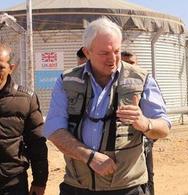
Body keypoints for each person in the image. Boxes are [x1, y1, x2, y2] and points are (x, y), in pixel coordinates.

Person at [43, 17, 171, 195]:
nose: (112, 59)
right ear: (87, 53)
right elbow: (54, 129)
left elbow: (164, 127)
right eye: (104, 53)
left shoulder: (141, 79)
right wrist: (90, 157)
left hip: (127, 188)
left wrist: (145, 123)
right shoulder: (67, 80)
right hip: (77, 187)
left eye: (117, 51)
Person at [0, 44, 48, 195]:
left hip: (12, 183)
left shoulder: (26, 99)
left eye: (0, 67)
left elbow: (37, 142)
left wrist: (40, 181)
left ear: (11, 68)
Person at [121, 51, 155, 195]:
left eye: (132, 63)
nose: (128, 67)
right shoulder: (112, 87)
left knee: (147, 176)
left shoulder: (144, 84)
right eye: (124, 63)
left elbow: (157, 117)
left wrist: (148, 136)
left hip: (142, 141)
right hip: (121, 146)